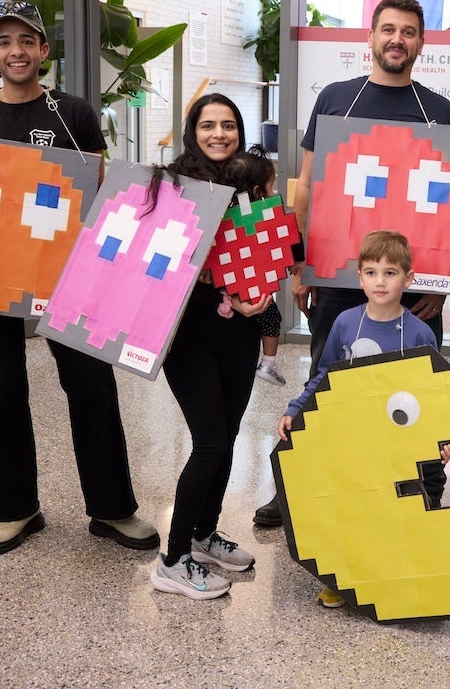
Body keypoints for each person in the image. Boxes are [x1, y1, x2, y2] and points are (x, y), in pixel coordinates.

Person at [0, 0, 157, 556]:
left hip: (65, 274)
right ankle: (13, 510)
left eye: (26, 41)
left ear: (44, 51)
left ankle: (113, 509)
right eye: (4, 41)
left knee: (90, 388)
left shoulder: (74, 113)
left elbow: (96, 192)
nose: (16, 51)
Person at [253, 0, 450, 527]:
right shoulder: (337, 99)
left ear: (421, 42)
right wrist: (300, 265)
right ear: (370, 39)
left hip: (403, 281)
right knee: (327, 377)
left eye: (408, 31)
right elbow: (306, 187)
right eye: (387, 29)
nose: (397, 39)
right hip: (338, 273)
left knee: (400, 387)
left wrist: (437, 279)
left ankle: (395, 485)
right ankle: (293, 489)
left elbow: (446, 202)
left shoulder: (438, 111)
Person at [276, 229, 450, 608]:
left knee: (399, 511)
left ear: (408, 280)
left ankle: (401, 574)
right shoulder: (345, 323)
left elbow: (434, 394)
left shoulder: (420, 333)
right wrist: (296, 407)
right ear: (359, 277)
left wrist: (446, 437)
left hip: (400, 445)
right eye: (372, 272)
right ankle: (345, 576)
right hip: (357, 441)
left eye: (391, 273)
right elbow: (324, 375)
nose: (381, 281)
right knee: (354, 509)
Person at [147, 94, 273, 600]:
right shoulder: (172, 185)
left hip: (239, 337)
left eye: (228, 125)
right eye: (207, 125)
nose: (218, 133)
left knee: (227, 437)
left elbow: (266, 250)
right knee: (212, 443)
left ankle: (203, 536)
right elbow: (159, 261)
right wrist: (224, 291)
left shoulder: (249, 185)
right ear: (191, 131)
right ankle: (172, 560)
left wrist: (258, 297)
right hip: (189, 336)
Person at [237, 144, 295, 388]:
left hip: (235, 288)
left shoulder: (230, 213)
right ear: (259, 191)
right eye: (272, 186)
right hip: (249, 286)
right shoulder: (265, 217)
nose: (275, 191)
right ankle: (269, 362)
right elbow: (289, 240)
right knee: (271, 314)